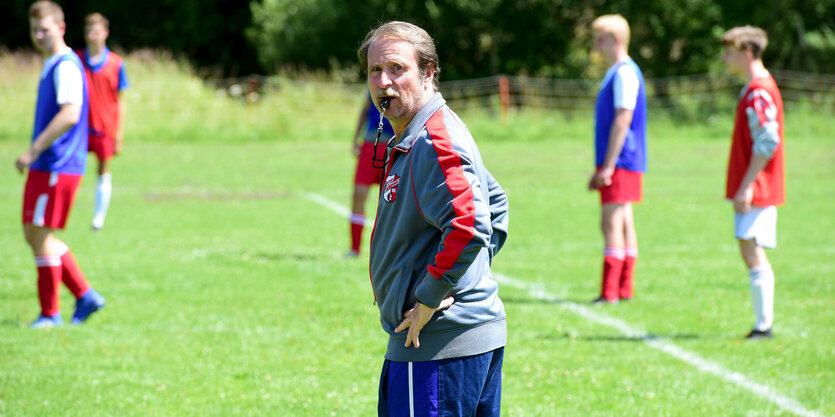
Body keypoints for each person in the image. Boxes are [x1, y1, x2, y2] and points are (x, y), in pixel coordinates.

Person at [359, 21, 509, 416]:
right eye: (375, 70)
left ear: (428, 73)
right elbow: (494, 199)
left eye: (397, 68)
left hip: (437, 347)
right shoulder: (421, 131)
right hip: (445, 345)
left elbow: (469, 222)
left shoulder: (432, 139)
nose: (384, 82)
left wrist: (429, 295)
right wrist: (469, 273)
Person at [17, 1, 105, 328]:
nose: (39, 35)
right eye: (35, 30)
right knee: (33, 232)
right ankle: (85, 295)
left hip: (57, 164)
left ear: (61, 27)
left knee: (40, 234)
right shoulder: (52, 63)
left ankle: (50, 314)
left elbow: (70, 113)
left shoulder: (67, 65)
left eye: (45, 29)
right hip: (47, 165)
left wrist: (33, 150)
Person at [721, 26, 785, 340]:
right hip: (757, 183)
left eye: (729, 52)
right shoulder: (753, 87)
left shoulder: (758, 90)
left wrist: (747, 184)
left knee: (751, 247)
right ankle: (763, 324)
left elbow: (767, 140)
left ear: (746, 52)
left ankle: (763, 325)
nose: (724, 58)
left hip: (757, 185)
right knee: (749, 246)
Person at [587, 14, 647, 305]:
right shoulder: (619, 71)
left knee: (611, 223)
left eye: (601, 39)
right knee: (623, 222)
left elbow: (623, 119)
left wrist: (608, 165)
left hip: (621, 160)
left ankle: (610, 291)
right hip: (623, 160)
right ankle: (624, 290)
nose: (596, 45)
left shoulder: (624, 72)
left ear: (617, 40)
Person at [75, 12, 129, 230]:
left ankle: (99, 218)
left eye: (96, 30)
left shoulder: (116, 63)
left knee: (103, 168)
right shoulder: (76, 60)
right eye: (89, 30)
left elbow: (121, 100)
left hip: (105, 126)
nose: (92, 35)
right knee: (73, 167)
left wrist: (119, 133)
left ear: (105, 33)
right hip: (78, 126)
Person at [347, 94, 394, 257]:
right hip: (369, 146)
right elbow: (364, 109)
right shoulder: (374, 84)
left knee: (390, 202)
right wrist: (355, 139)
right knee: (358, 195)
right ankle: (354, 249)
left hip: (391, 147)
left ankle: (386, 251)